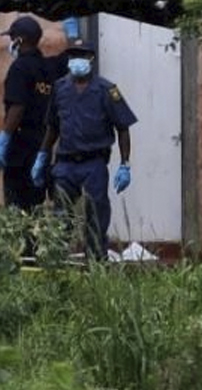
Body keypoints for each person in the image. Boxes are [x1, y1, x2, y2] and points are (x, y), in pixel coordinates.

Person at [33, 42, 136, 260]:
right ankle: (56, 261)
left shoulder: (107, 90)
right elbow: (53, 126)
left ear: (91, 59)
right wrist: (42, 156)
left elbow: (123, 128)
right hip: (66, 163)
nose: (77, 60)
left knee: (96, 214)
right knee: (62, 215)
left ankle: (96, 262)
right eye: (73, 55)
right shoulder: (60, 88)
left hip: (94, 163)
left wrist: (125, 164)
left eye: (82, 55)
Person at [2, 15, 64, 218]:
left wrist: (5, 138)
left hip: (21, 149)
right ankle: (34, 248)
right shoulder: (49, 67)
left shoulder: (20, 68)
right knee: (35, 207)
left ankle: (21, 248)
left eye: (12, 38)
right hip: (43, 145)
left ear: (19, 40)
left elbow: (17, 107)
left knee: (17, 209)